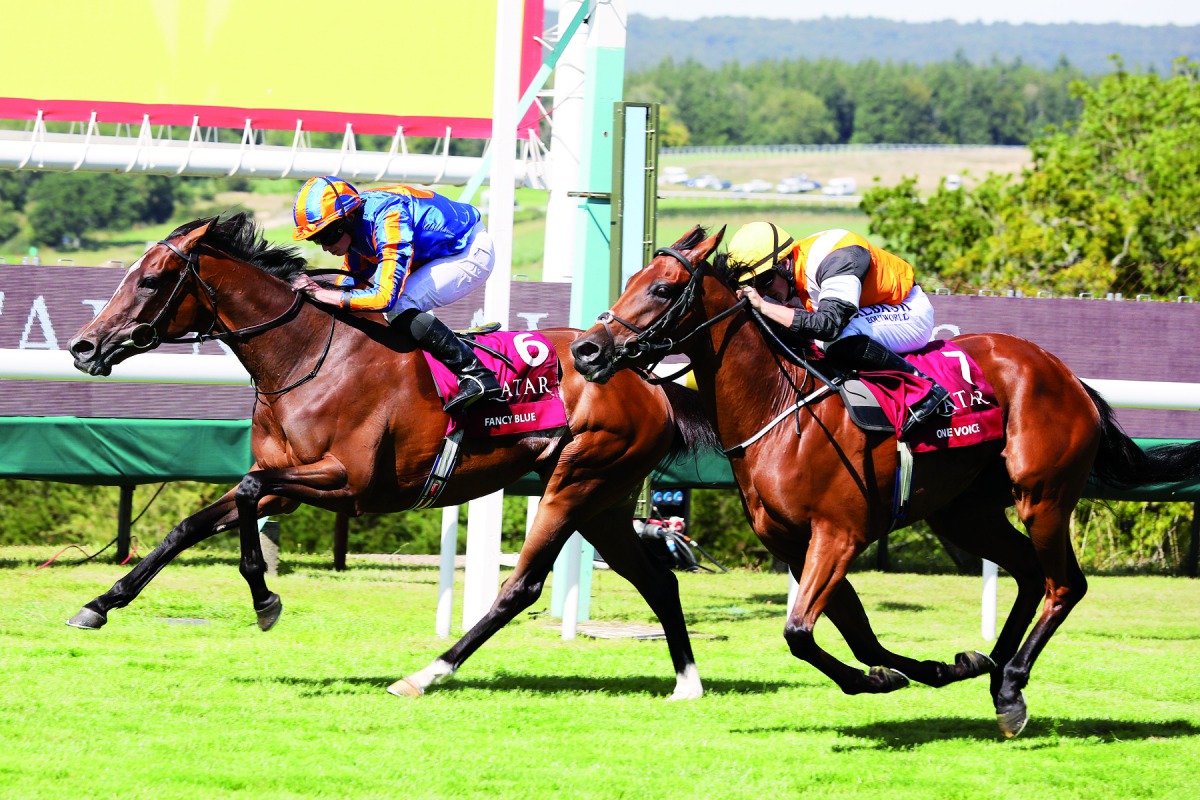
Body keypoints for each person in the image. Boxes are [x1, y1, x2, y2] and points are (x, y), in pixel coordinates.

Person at [290, 175, 501, 413]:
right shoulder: (358, 226)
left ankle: (477, 375)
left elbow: (384, 298)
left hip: (468, 250)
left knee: (398, 306)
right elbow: (347, 289)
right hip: (436, 253)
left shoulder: (389, 218)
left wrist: (321, 294)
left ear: (348, 218)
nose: (326, 247)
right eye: (317, 240)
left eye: (327, 235)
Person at [726, 221, 950, 433]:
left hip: (907, 310)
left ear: (784, 263)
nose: (762, 292)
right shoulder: (789, 274)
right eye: (753, 285)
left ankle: (925, 390)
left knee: (832, 339)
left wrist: (764, 307)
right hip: (867, 310)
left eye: (764, 281)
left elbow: (828, 326)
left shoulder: (838, 258)